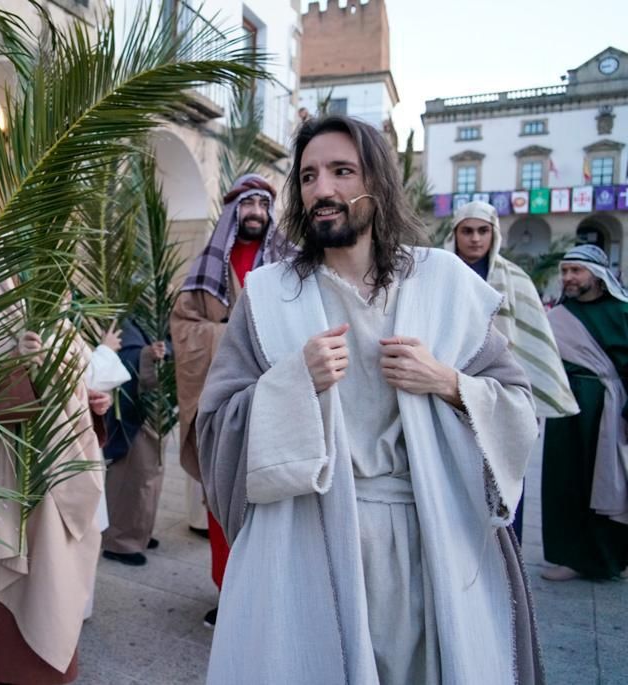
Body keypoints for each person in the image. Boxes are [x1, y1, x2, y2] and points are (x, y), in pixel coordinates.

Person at [198, 115, 542, 684]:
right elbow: (214, 427)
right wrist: (292, 381)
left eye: (340, 171)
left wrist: (448, 382)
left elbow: (518, 406)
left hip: (426, 543)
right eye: (308, 177)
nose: (322, 190)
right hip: (303, 541)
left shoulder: (444, 283)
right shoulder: (270, 295)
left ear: (377, 182)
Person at [0, 312, 110, 685]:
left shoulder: (62, 323)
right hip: (10, 481)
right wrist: (15, 366)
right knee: (24, 597)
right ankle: (12, 671)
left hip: (64, 470)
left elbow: (68, 389)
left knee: (55, 583)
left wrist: (88, 403)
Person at [169, 172, 282, 626]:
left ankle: (268, 596)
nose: (255, 213)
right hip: (224, 404)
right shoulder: (206, 267)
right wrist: (230, 336)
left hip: (275, 402)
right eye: (247, 205)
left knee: (270, 503)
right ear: (235, 212)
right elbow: (183, 325)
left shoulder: (289, 263)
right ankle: (228, 590)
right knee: (221, 501)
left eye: (262, 205)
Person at [447, 201, 579, 538]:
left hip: (500, 394)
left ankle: (508, 557)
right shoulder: (439, 274)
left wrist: (526, 399)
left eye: (483, 230)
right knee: (453, 477)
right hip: (449, 390)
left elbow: (532, 342)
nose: (475, 238)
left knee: (504, 473)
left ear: (494, 234)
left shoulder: (516, 280)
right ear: (455, 234)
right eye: (467, 230)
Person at [541, 244, 628, 581]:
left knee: (608, 483)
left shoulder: (621, 313)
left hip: (608, 409)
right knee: (565, 482)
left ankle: (610, 558)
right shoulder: (560, 316)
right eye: (564, 271)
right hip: (566, 408)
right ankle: (572, 558)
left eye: (576, 271)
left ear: (598, 276)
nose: (568, 278)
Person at [100, 318, 170, 565]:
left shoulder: (148, 314)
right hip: (132, 408)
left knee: (150, 474)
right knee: (132, 475)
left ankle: (139, 531)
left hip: (154, 407)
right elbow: (123, 354)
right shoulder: (126, 315)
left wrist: (161, 351)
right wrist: (147, 354)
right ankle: (119, 540)